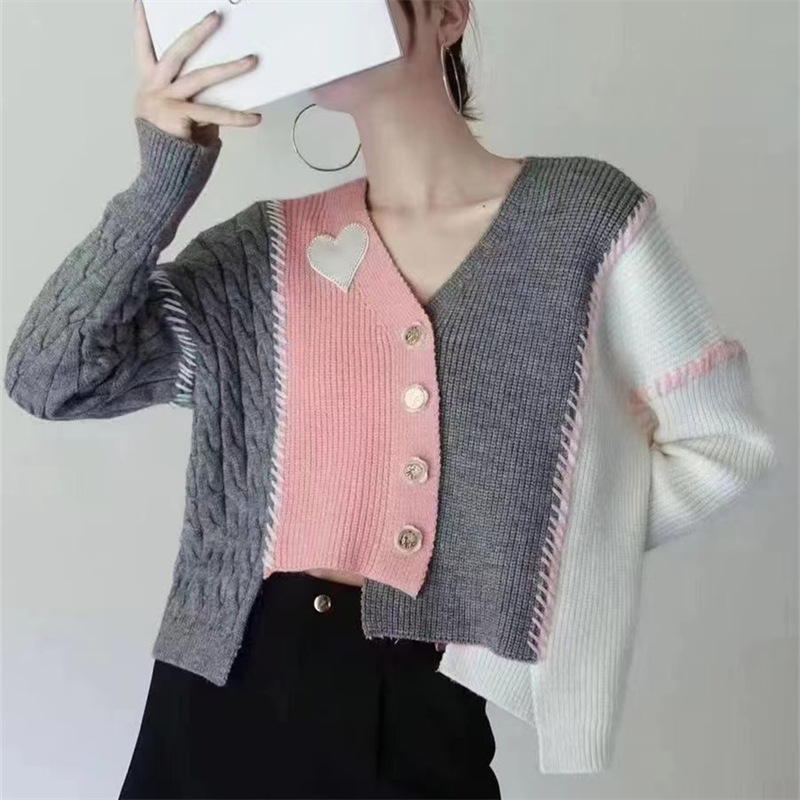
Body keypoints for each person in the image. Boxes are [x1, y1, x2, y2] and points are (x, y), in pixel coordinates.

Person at [4, 0, 776, 798]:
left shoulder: (581, 222)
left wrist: (535, 556)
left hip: (421, 699)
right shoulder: (259, 256)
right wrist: (161, 182)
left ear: (448, 14)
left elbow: (723, 446)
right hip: (223, 688)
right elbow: (51, 378)